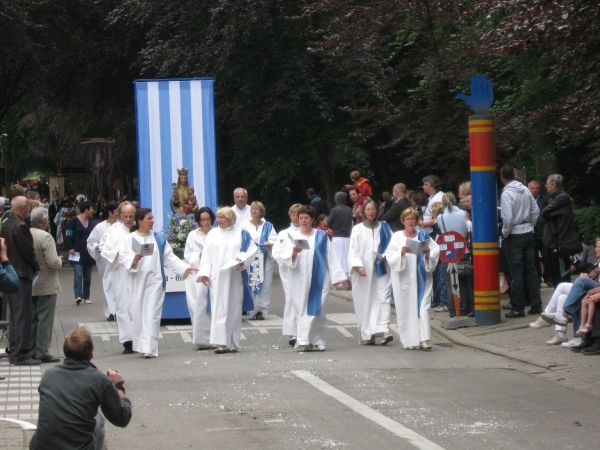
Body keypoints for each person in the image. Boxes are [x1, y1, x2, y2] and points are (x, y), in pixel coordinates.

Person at [29, 327, 132, 450]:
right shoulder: (99, 380)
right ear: (91, 354)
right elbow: (122, 418)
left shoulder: (49, 374)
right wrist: (118, 386)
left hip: (40, 447)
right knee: (97, 419)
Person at [119, 208, 197, 358]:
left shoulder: (158, 238)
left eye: (153, 218)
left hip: (154, 283)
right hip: (136, 283)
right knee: (137, 314)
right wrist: (133, 259)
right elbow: (123, 258)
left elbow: (170, 258)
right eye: (149, 218)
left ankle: (150, 348)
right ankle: (141, 346)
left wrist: (185, 267)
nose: (152, 221)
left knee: (152, 314)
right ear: (140, 221)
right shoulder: (130, 239)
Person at [278, 205, 347, 352]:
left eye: (306, 218)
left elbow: (331, 256)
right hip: (299, 279)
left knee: (319, 309)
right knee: (301, 308)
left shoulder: (321, 236)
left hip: (319, 278)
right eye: (301, 218)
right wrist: (293, 253)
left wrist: (337, 277)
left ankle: (318, 339)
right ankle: (304, 340)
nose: (303, 220)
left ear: (312, 220)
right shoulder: (293, 238)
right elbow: (283, 258)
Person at [199, 206, 258, 354]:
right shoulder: (212, 234)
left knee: (234, 308)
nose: (219, 220)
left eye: (222, 217)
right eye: (218, 217)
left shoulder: (241, 234)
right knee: (219, 308)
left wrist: (242, 260)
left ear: (230, 218)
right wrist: (205, 272)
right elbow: (206, 255)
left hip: (234, 276)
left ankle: (232, 342)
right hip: (217, 277)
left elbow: (252, 250)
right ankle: (220, 342)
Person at [385, 208, 440, 350]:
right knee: (407, 308)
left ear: (416, 221)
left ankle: (424, 339)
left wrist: (428, 255)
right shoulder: (397, 236)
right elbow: (389, 255)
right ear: (403, 221)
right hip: (404, 279)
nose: (410, 221)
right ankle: (410, 340)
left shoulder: (423, 235)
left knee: (424, 307)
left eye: (413, 219)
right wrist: (401, 253)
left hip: (423, 277)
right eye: (408, 219)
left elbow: (435, 250)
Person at [1, 196, 40, 365]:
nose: (29, 211)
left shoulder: (6, 224)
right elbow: (28, 251)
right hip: (21, 273)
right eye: (28, 208)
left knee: (15, 314)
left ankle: (14, 349)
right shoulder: (20, 225)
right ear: (23, 208)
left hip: (10, 272)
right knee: (23, 314)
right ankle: (21, 354)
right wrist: (36, 266)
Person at [349, 200, 394, 345]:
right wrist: (358, 266)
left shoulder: (385, 228)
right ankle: (367, 333)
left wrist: (387, 256)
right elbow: (353, 250)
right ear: (363, 212)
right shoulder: (358, 229)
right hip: (364, 271)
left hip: (382, 269)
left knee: (383, 297)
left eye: (373, 209)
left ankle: (384, 329)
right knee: (366, 300)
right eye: (368, 209)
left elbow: (393, 246)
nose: (371, 212)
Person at [500, 165, 542, 318]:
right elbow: (536, 211)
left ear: (503, 178)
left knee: (516, 272)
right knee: (531, 270)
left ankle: (518, 307)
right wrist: (531, 225)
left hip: (514, 234)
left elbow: (508, 218)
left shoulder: (507, 194)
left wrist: (505, 233)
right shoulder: (525, 189)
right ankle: (536, 304)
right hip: (528, 231)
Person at [101, 202, 136, 354]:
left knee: (136, 305)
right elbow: (106, 250)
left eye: (131, 216)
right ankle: (127, 341)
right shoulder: (113, 232)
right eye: (125, 216)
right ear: (120, 216)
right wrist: (120, 255)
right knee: (122, 305)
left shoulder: (139, 230)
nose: (128, 219)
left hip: (136, 273)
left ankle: (139, 338)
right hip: (120, 273)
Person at [30, 207, 63, 363]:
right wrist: (60, 260)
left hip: (30, 283)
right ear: (44, 221)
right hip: (46, 283)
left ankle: (31, 348)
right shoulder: (45, 237)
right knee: (45, 320)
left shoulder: (27, 233)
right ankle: (42, 351)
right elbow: (52, 262)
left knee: (32, 318)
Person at [436, 193, 473, 317]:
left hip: (449, 252)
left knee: (450, 281)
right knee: (465, 281)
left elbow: (442, 232)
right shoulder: (464, 213)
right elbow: (468, 229)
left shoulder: (440, 217)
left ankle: (453, 311)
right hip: (463, 250)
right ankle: (465, 309)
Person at [184, 206, 215, 349]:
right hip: (196, 275)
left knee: (211, 305)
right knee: (197, 305)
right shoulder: (193, 235)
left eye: (208, 219)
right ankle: (200, 339)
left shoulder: (216, 233)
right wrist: (200, 255)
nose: (206, 222)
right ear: (199, 220)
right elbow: (188, 254)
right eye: (203, 219)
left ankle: (213, 337)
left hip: (212, 274)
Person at [242, 201, 277, 320]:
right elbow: (241, 240)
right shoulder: (244, 225)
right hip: (251, 259)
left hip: (265, 258)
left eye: (257, 209)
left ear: (261, 211)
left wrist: (270, 243)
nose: (254, 211)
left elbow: (274, 239)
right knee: (252, 283)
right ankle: (251, 309)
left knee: (265, 284)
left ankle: (261, 310)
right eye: (252, 209)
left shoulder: (268, 225)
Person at [272, 203, 302, 346]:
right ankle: (293, 332)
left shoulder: (307, 233)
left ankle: (303, 330)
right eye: (293, 215)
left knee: (303, 300)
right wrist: (286, 259)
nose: (295, 218)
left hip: (303, 271)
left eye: (298, 215)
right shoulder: (283, 234)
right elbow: (276, 253)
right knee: (291, 299)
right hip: (288, 272)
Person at [543, 174, 578, 288]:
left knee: (562, 278)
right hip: (553, 243)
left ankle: (564, 303)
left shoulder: (562, 197)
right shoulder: (553, 198)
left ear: (554, 185)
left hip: (559, 244)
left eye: (547, 184)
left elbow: (545, 212)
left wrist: (547, 213)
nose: (545, 186)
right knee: (556, 276)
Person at [87, 201, 119, 320]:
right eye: (117, 212)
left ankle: (113, 310)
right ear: (110, 213)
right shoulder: (100, 227)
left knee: (117, 285)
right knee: (109, 284)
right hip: (104, 262)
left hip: (118, 261)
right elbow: (91, 241)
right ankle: (112, 310)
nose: (118, 214)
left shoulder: (121, 225)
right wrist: (96, 247)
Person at [67, 201, 96, 305]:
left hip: (88, 253)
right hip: (76, 253)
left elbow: (94, 236)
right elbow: (69, 234)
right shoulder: (74, 220)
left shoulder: (91, 223)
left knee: (87, 276)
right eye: (91, 209)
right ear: (86, 209)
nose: (93, 211)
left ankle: (86, 296)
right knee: (78, 274)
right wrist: (70, 247)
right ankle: (78, 295)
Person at [328, 191, 353, 288]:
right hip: (348, 237)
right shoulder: (349, 210)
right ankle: (349, 280)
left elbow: (329, 222)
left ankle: (340, 280)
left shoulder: (335, 210)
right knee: (347, 257)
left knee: (338, 258)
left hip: (338, 237)